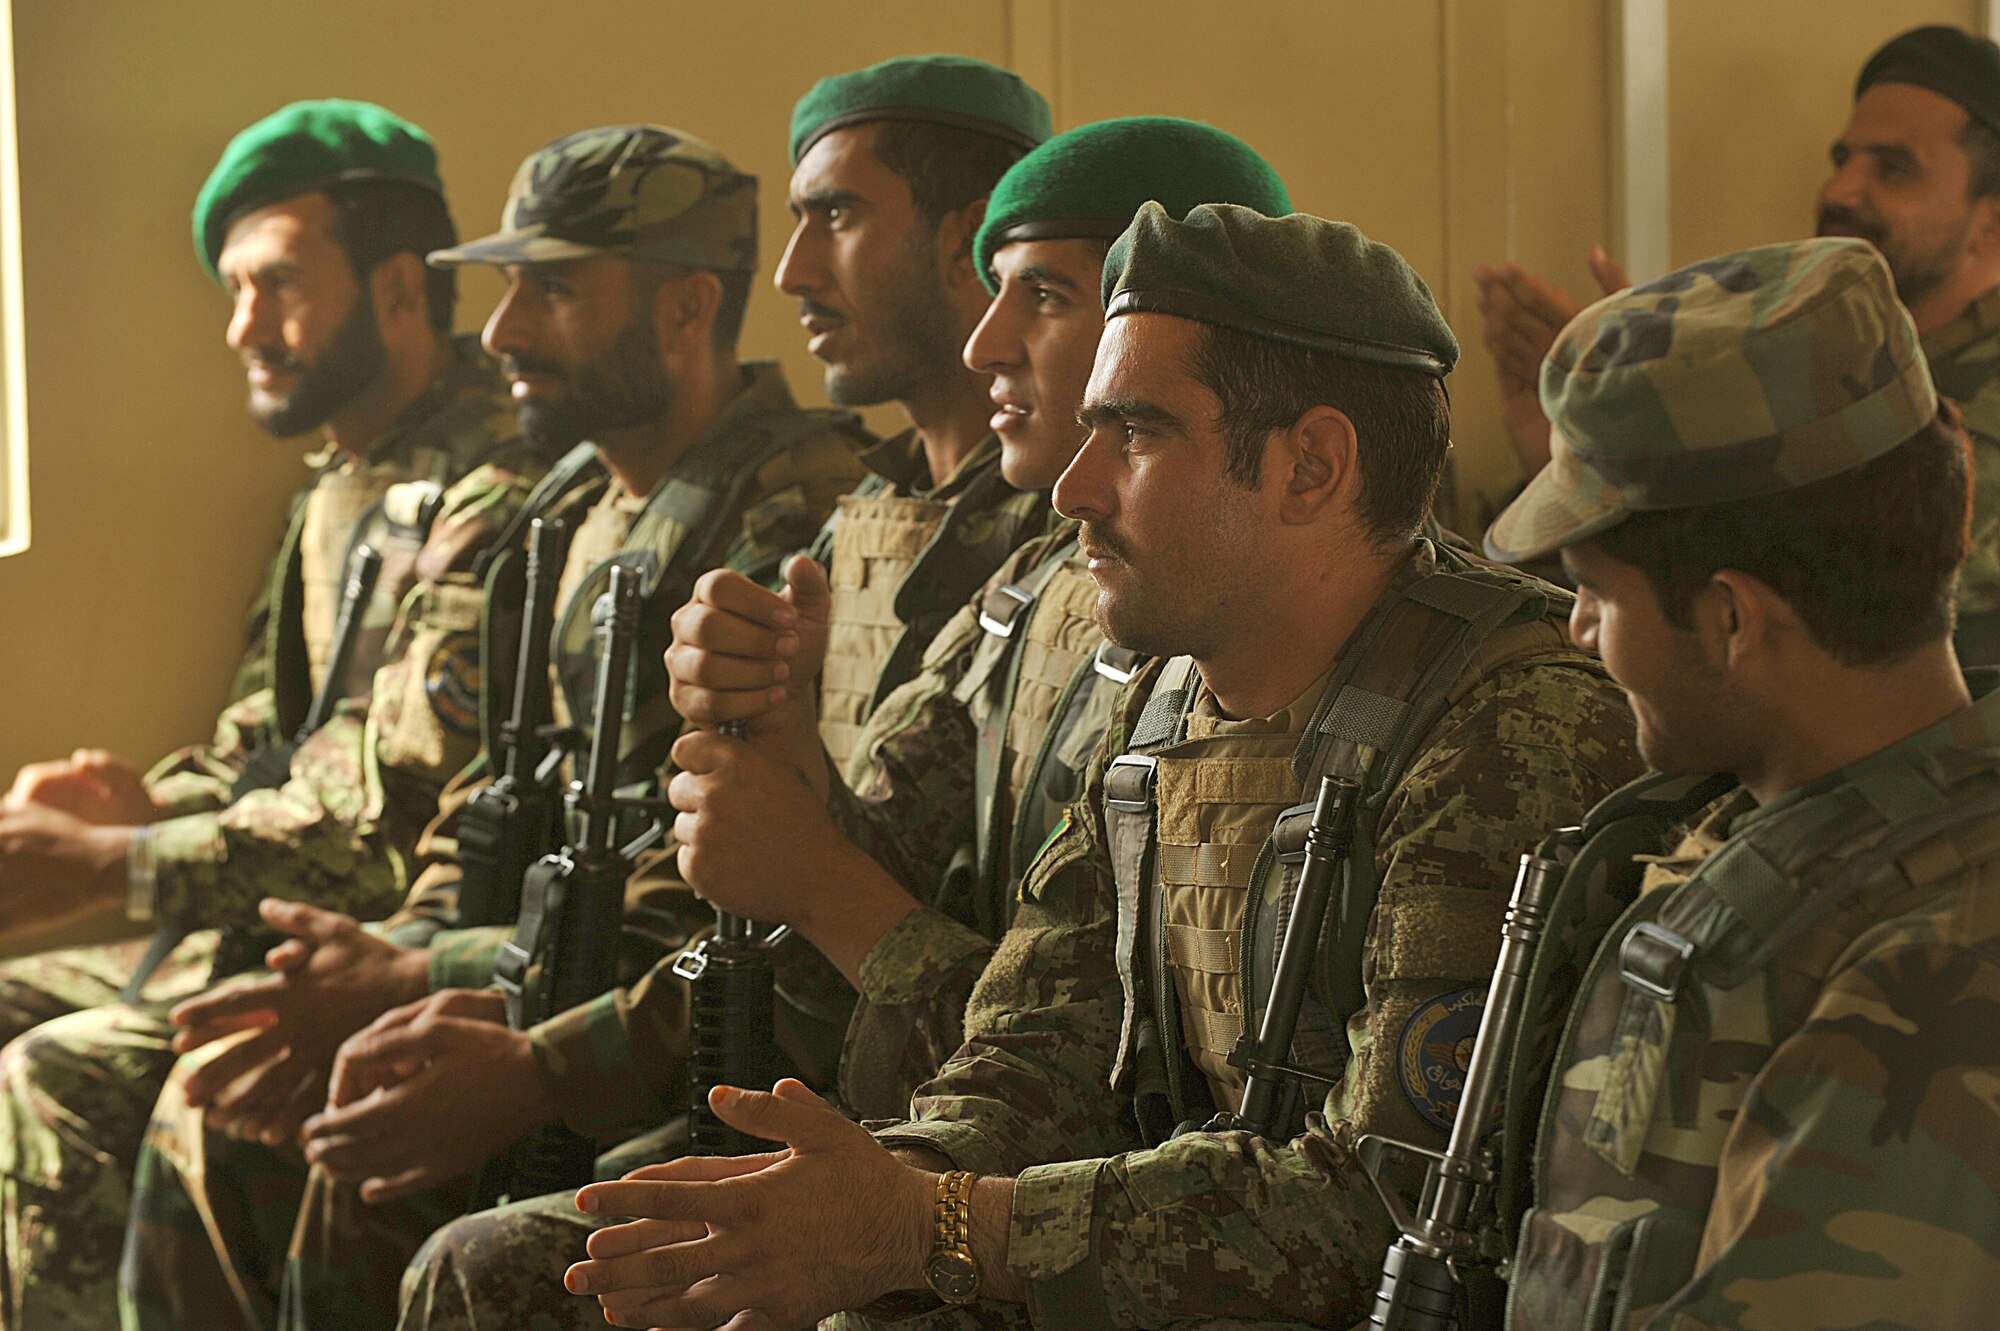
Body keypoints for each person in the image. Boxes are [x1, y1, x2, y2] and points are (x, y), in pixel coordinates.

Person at [564, 203, 1641, 1330]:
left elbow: (1379, 1208)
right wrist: (875, 1185)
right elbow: (1044, 1043)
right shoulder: (1165, 697)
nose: (1071, 487)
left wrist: (929, 1223)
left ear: (1311, 467)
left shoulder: (1508, 729)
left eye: (1134, 433)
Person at [389, 115, 1293, 1331]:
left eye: (1040, 294)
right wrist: (777, 745)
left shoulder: (1227, 622)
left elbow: (1105, 1068)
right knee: (493, 1258)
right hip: (960, 1143)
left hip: (1084, 1216)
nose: (983, 341)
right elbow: (866, 856)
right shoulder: (1029, 594)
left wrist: (810, 882)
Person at [113, 124, 872, 1331]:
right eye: (508, 286)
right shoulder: (570, 502)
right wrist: (394, 962)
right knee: (260, 1108)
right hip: (540, 979)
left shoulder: (793, 516)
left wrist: (432, 980)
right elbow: (492, 793)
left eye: (552, 291)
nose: (503, 330)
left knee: (365, 1170)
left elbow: (721, 889)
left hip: (685, 1032)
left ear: (684, 310)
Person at [0, 99, 565, 1331]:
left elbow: (382, 826)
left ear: (401, 288)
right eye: (235, 290)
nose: (243, 325)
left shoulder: (493, 491)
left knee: (54, 1072)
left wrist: (116, 862)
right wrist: (144, 805)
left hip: (364, 942)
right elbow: (271, 740)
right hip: (257, 910)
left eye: (279, 284)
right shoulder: (338, 488)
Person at [1481, 236, 2000, 1328]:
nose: (1579, 631)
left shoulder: (1932, 976)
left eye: (1594, 592)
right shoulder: (1783, 823)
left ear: (1729, 618)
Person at [1477, 25, 2000, 663]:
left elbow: (1848, 603)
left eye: (1893, 169)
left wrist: (1660, 427)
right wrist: (1579, 456)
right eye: (1843, 160)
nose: (1837, 191)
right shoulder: (1812, 357)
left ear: (1992, 219)